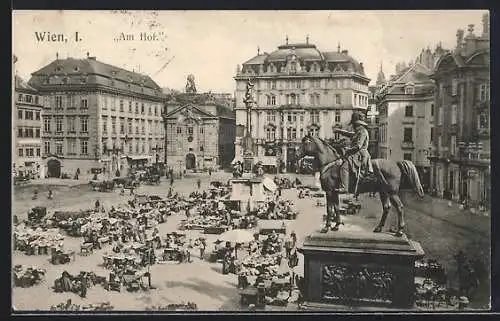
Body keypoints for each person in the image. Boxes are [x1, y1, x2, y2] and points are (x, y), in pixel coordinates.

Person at [333, 112, 374, 194]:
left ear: (357, 123)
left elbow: (358, 146)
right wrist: (340, 131)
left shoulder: (362, 132)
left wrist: (348, 149)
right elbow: (351, 134)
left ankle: (344, 187)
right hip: (356, 153)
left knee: (344, 166)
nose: (353, 126)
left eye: (354, 124)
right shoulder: (358, 131)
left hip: (360, 154)